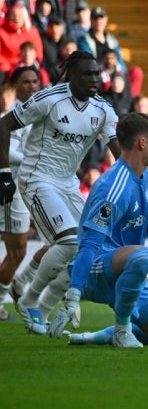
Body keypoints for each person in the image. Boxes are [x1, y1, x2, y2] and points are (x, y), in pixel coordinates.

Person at [0, 51, 120, 334]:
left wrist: (133, 180)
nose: (94, 79)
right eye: (87, 74)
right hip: (36, 177)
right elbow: (4, 124)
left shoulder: (103, 109)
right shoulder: (49, 99)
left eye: (96, 73)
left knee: (89, 248)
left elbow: (119, 151)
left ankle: (43, 310)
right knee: (68, 242)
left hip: (68, 183)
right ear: (71, 76)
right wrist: (4, 173)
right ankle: (28, 299)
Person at [47, 113, 148, 348]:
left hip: (126, 270)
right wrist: (73, 296)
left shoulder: (146, 178)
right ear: (142, 143)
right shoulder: (113, 187)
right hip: (97, 269)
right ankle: (121, 330)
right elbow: (89, 244)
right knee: (143, 256)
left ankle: (94, 337)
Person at [0, 66, 40, 320]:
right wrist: (33, 160)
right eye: (26, 82)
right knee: (17, 251)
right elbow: (5, 151)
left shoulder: (38, 115)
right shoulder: (10, 118)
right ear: (15, 87)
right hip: (11, 188)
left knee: (20, 251)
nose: (32, 86)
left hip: (26, 189)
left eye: (35, 81)